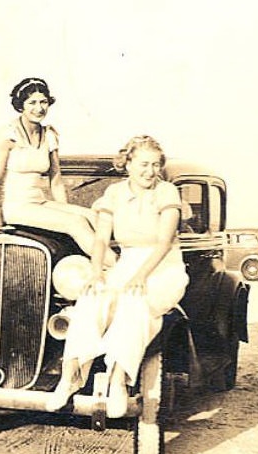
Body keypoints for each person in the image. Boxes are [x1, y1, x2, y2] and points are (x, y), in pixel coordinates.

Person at [48, 135, 189, 418]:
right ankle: (71, 375)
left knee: (133, 304)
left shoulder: (166, 193)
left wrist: (140, 276)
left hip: (163, 266)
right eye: (143, 164)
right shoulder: (113, 194)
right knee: (90, 299)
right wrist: (96, 271)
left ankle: (119, 380)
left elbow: (164, 242)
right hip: (127, 261)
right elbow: (100, 240)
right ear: (128, 164)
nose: (150, 171)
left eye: (155, 165)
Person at [0, 77, 115, 265]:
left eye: (43, 102)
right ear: (21, 105)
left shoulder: (49, 135)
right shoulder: (7, 135)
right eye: (32, 102)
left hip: (40, 202)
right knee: (76, 223)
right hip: (16, 207)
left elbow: (56, 179)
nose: (39, 108)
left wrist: (65, 210)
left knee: (93, 217)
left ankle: (116, 258)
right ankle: (118, 266)